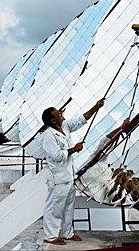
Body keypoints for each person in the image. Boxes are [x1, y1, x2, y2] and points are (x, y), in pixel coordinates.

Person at [41, 98, 104, 245]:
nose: (60, 112)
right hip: (58, 179)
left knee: (68, 207)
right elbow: (57, 156)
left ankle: (68, 233)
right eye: (57, 112)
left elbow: (80, 120)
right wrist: (73, 149)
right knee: (55, 209)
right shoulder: (49, 137)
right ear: (52, 120)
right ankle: (50, 236)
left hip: (68, 176)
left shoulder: (64, 126)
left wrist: (95, 107)